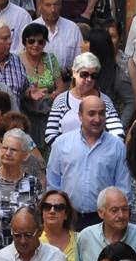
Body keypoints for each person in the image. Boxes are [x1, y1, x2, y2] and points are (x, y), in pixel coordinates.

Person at [46, 96, 131, 231]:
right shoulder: (61, 144)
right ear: (80, 116)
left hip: (103, 221)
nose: (97, 119)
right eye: (91, 113)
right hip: (69, 218)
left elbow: (123, 188)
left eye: (101, 113)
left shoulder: (117, 146)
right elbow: (53, 183)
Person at [0, 128, 42, 251]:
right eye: (5, 148)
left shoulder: (33, 184)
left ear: (25, 155)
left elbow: (39, 221)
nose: (8, 153)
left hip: (24, 253)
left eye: (14, 150)